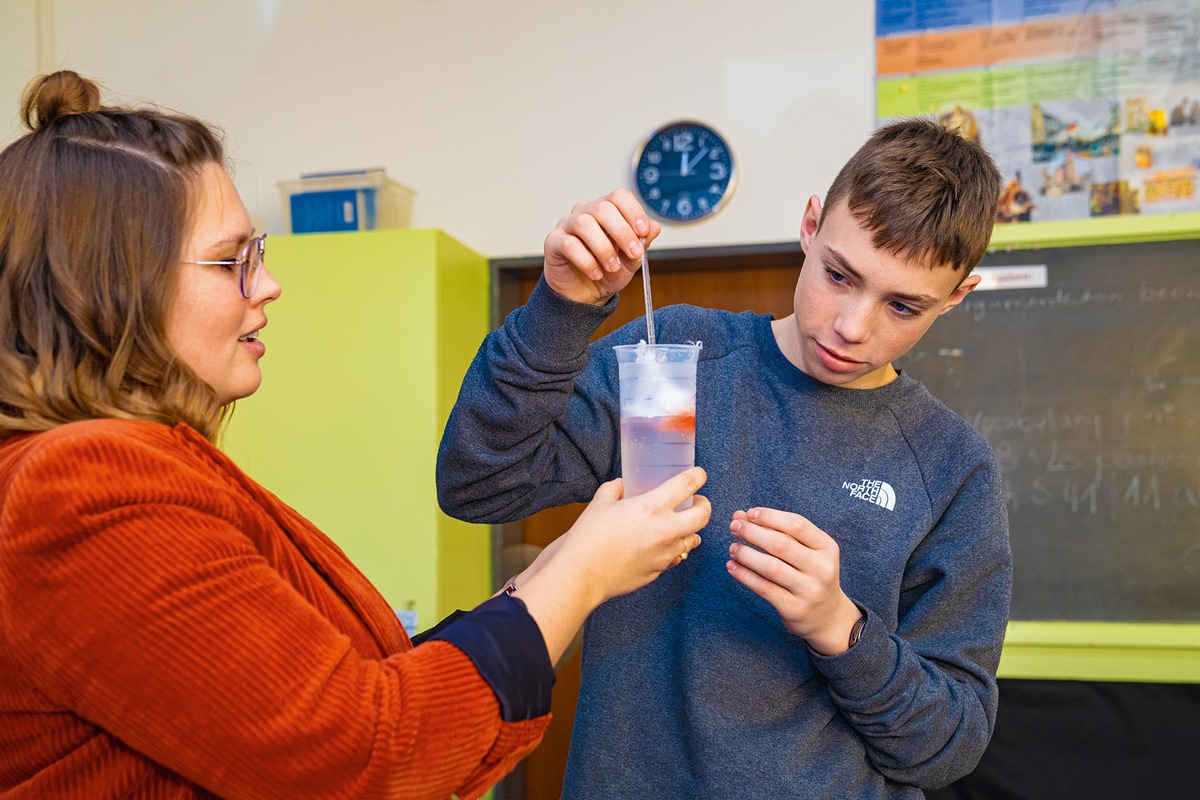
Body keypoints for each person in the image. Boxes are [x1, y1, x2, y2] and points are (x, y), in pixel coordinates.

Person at [0, 71, 711, 800]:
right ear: (108, 287)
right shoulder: (83, 486)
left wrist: (558, 567)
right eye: (232, 260)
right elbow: (362, 755)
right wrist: (582, 572)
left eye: (260, 252)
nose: (269, 284)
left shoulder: (145, 465)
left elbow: (359, 691)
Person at [437, 118, 1014, 798]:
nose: (853, 326)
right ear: (808, 224)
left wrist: (840, 627)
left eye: (903, 306)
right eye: (838, 274)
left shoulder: (952, 468)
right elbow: (479, 483)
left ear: (956, 297)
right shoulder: (679, 357)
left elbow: (946, 748)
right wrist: (561, 308)